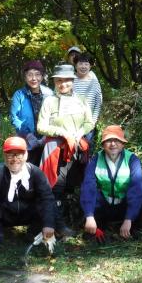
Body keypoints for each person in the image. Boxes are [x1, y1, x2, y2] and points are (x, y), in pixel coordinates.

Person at [37, 64, 95, 238]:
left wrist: (78, 133)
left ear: (73, 81)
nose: (63, 84)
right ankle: (58, 226)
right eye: (59, 81)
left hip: (77, 149)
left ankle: (81, 221)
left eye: (67, 81)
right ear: (55, 82)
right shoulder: (49, 101)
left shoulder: (81, 99)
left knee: (79, 184)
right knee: (55, 187)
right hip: (56, 151)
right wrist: (62, 133)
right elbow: (41, 126)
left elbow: (89, 122)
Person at [0, 137, 56, 253]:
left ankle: (33, 232)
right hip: (4, 214)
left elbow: (47, 198)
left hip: (28, 213)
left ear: (26, 155)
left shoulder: (36, 173)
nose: (14, 159)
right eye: (10, 155)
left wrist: (48, 224)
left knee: (46, 202)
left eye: (19, 155)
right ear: (4, 156)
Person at [81, 125, 142, 242]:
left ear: (122, 143)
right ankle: (95, 227)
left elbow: (137, 189)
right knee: (92, 192)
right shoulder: (96, 159)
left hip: (124, 206)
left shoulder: (132, 159)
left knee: (141, 193)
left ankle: (131, 227)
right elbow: (88, 186)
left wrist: (129, 218)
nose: (113, 144)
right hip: (104, 206)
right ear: (103, 144)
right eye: (108, 141)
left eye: (116, 140)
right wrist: (89, 216)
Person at [9, 60, 53, 166]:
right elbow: (14, 117)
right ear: (25, 77)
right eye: (30, 75)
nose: (34, 78)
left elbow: (54, 116)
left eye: (37, 75)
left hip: (46, 138)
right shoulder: (19, 95)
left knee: (45, 169)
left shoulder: (49, 94)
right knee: (27, 168)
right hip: (26, 140)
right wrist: (28, 135)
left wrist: (45, 137)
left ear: (42, 77)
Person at [73, 54, 103, 128]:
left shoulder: (94, 82)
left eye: (86, 64)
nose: (83, 66)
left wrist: (93, 121)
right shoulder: (70, 81)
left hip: (88, 123)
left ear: (90, 66)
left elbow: (98, 103)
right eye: (80, 64)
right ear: (75, 65)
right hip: (72, 123)